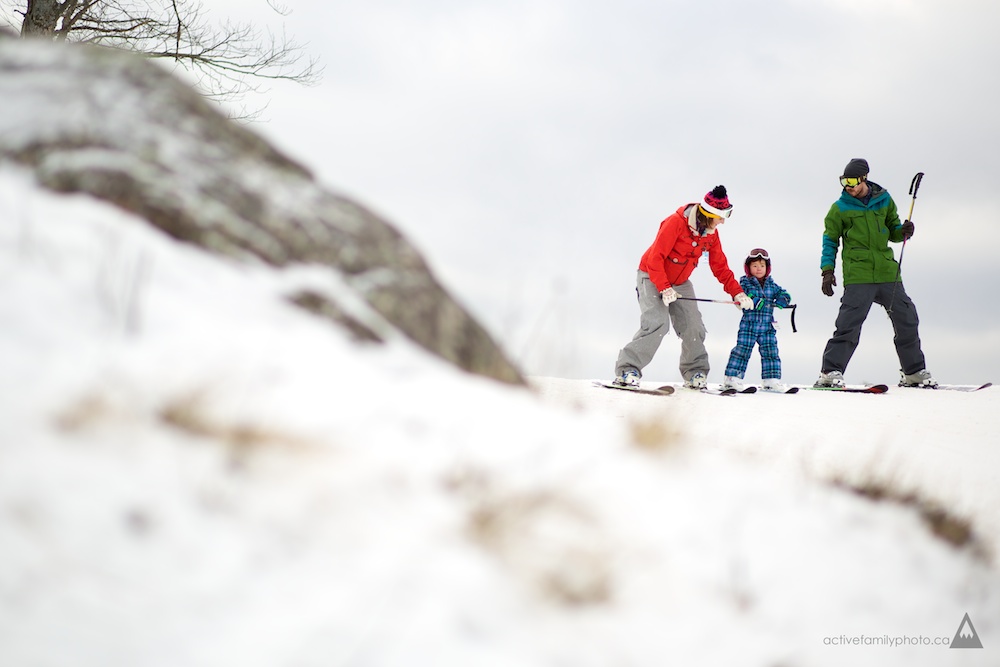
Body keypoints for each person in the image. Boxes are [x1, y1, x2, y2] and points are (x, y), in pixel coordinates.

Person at [613, 185, 754, 390]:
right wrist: (664, 287)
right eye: (722, 216)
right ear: (708, 214)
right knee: (657, 323)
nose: (723, 221)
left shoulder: (711, 234)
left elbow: (720, 267)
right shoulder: (675, 223)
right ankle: (627, 370)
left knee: (693, 325)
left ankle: (695, 372)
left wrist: (738, 293)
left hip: (680, 282)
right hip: (652, 276)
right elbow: (655, 258)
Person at [814, 158, 936, 388]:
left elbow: (894, 232)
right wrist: (827, 270)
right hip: (859, 274)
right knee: (848, 325)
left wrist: (904, 231)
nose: (847, 186)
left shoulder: (884, 200)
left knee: (907, 318)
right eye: (843, 181)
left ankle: (913, 372)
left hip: (887, 272)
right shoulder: (839, 208)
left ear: (864, 178)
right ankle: (829, 373)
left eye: (851, 181)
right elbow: (829, 240)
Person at [722, 249, 792, 391]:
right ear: (748, 268)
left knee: (771, 351)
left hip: (767, 326)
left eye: (762, 265)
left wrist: (782, 299)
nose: (759, 268)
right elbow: (742, 294)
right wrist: (754, 300)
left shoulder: (772, 285)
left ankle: (771, 380)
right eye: (755, 266)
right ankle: (732, 379)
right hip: (749, 324)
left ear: (767, 268)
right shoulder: (746, 282)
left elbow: (784, 293)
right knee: (742, 350)